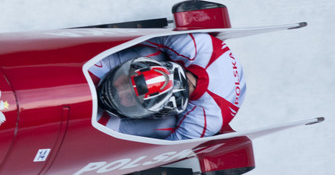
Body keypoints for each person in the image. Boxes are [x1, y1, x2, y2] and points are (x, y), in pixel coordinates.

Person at [89, 33, 246, 140]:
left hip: (219, 105)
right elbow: (152, 38)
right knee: (148, 51)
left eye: (129, 97)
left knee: (165, 126)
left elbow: (168, 149)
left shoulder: (205, 119)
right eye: (123, 82)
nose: (119, 92)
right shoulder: (195, 46)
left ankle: (113, 130)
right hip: (210, 54)